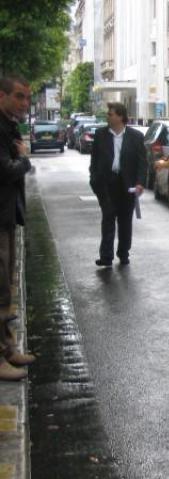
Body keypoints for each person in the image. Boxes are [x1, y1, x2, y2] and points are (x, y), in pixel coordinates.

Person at [0, 75, 36, 381]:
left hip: (8, 216)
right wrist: (24, 159)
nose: (25, 103)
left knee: (6, 290)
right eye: (20, 97)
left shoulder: (8, 125)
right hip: (0, 216)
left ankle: (8, 349)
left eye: (27, 98)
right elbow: (7, 170)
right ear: (3, 95)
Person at [90, 102, 145, 267]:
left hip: (126, 185)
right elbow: (94, 160)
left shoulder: (135, 137)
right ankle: (106, 256)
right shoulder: (100, 135)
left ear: (120, 116)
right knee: (107, 218)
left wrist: (140, 183)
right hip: (106, 184)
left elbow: (142, 162)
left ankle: (123, 253)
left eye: (111, 114)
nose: (108, 116)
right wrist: (94, 179)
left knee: (125, 221)